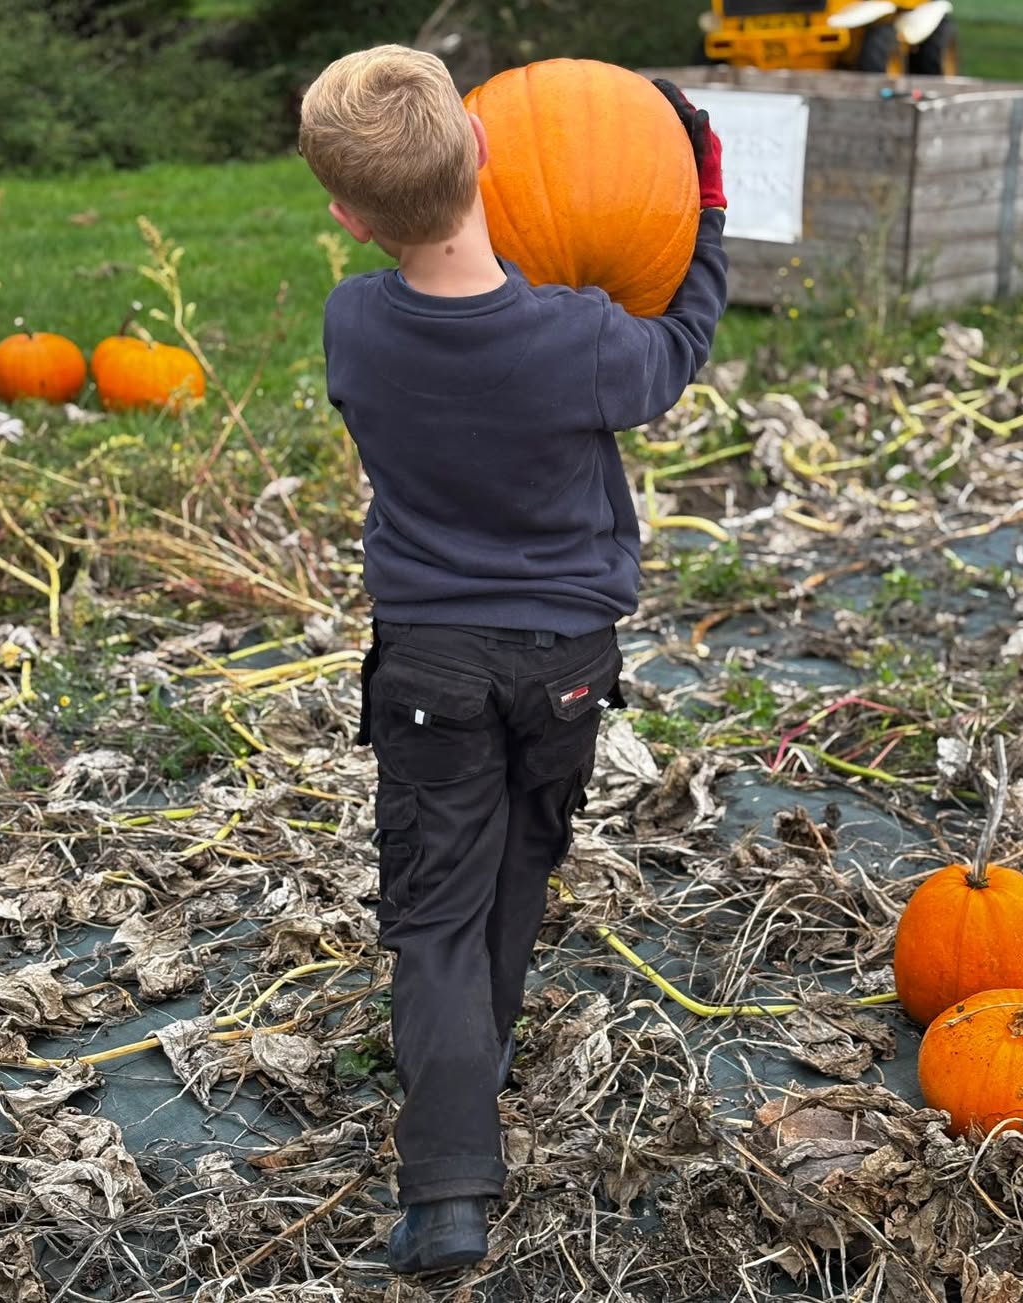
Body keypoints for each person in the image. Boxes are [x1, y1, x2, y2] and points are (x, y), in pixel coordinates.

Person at [298, 44, 728, 1275]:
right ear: (487, 151)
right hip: (563, 662)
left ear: (345, 213)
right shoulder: (583, 341)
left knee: (434, 906)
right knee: (522, 860)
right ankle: (473, 1065)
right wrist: (699, 206)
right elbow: (679, 346)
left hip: (428, 665)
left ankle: (445, 1191)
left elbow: (456, 340)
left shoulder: (353, 328)